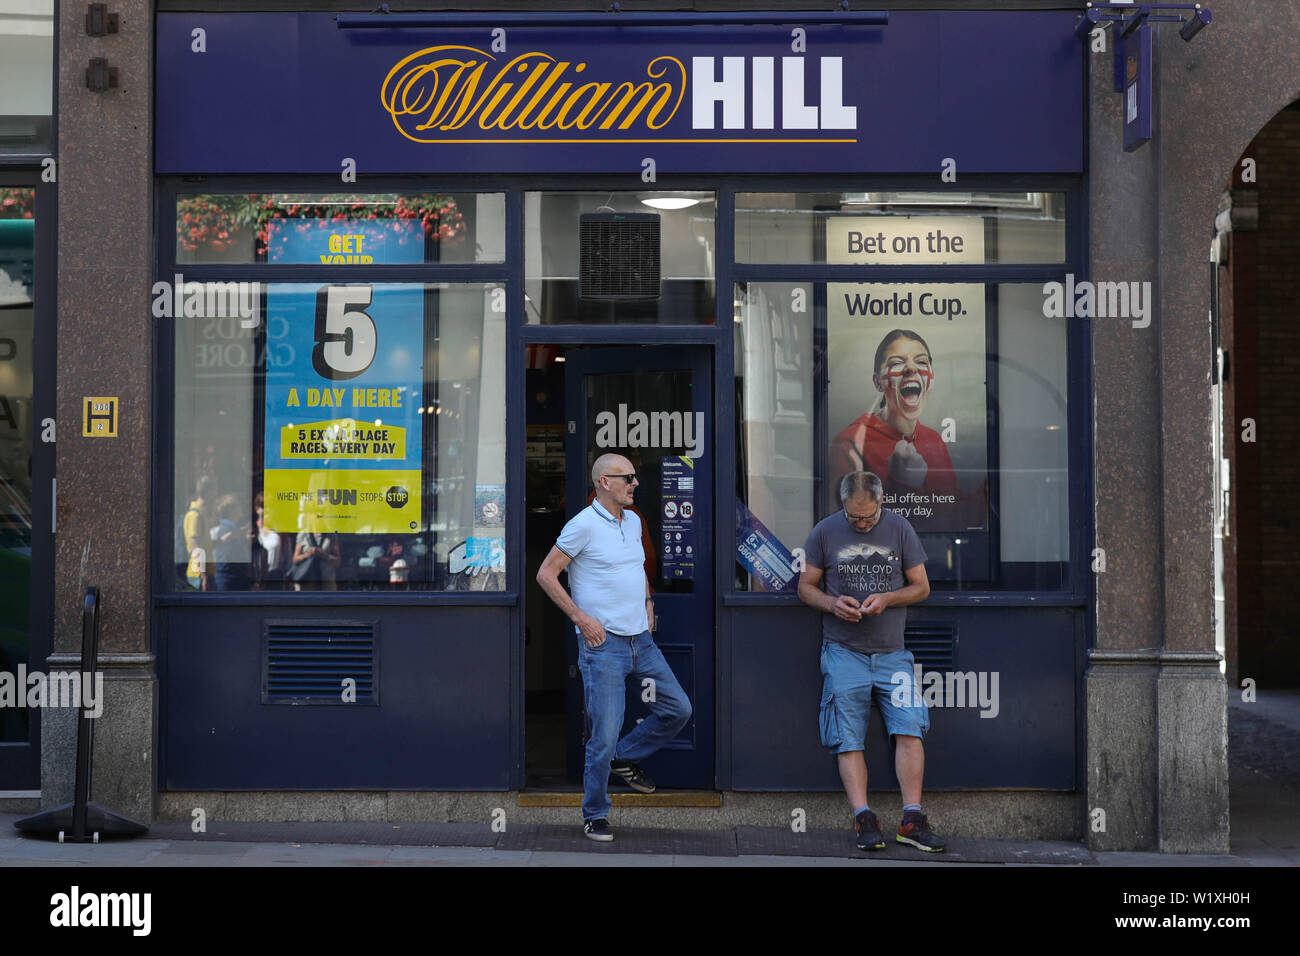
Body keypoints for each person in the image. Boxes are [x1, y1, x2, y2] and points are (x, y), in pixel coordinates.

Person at [535, 452, 693, 842]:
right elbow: (546, 574)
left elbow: (636, 567)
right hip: (602, 644)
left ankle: (624, 758)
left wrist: (649, 600)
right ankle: (595, 813)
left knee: (679, 709)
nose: (635, 484)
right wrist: (580, 618)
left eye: (635, 478)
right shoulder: (583, 525)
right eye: (629, 478)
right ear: (605, 482)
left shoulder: (635, 520)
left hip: (642, 639)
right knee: (603, 734)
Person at [797, 470, 946, 853]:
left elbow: (922, 587)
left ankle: (911, 819)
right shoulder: (825, 531)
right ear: (842, 505)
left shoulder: (900, 529)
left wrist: (888, 598)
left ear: (881, 502)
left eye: (868, 516)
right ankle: (864, 817)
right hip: (843, 650)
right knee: (847, 736)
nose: (862, 523)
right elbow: (805, 587)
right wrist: (833, 603)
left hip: (891, 653)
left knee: (910, 726)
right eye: (854, 517)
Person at [830, 329, 958, 499]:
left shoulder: (934, 440)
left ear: (931, 378)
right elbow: (852, 516)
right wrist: (902, 483)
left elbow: (955, 511)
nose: (911, 368)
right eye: (897, 363)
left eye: (921, 361)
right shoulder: (851, 443)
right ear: (878, 382)